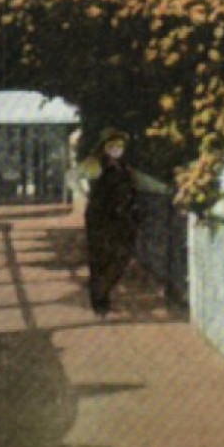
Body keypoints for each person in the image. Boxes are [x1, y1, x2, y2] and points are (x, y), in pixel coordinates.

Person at [83, 127, 140, 317]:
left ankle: (102, 293)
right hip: (100, 217)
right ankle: (100, 302)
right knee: (100, 259)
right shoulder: (96, 164)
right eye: (112, 145)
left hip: (121, 218)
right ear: (105, 147)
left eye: (120, 145)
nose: (117, 148)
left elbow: (138, 183)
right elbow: (81, 178)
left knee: (122, 256)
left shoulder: (125, 167)